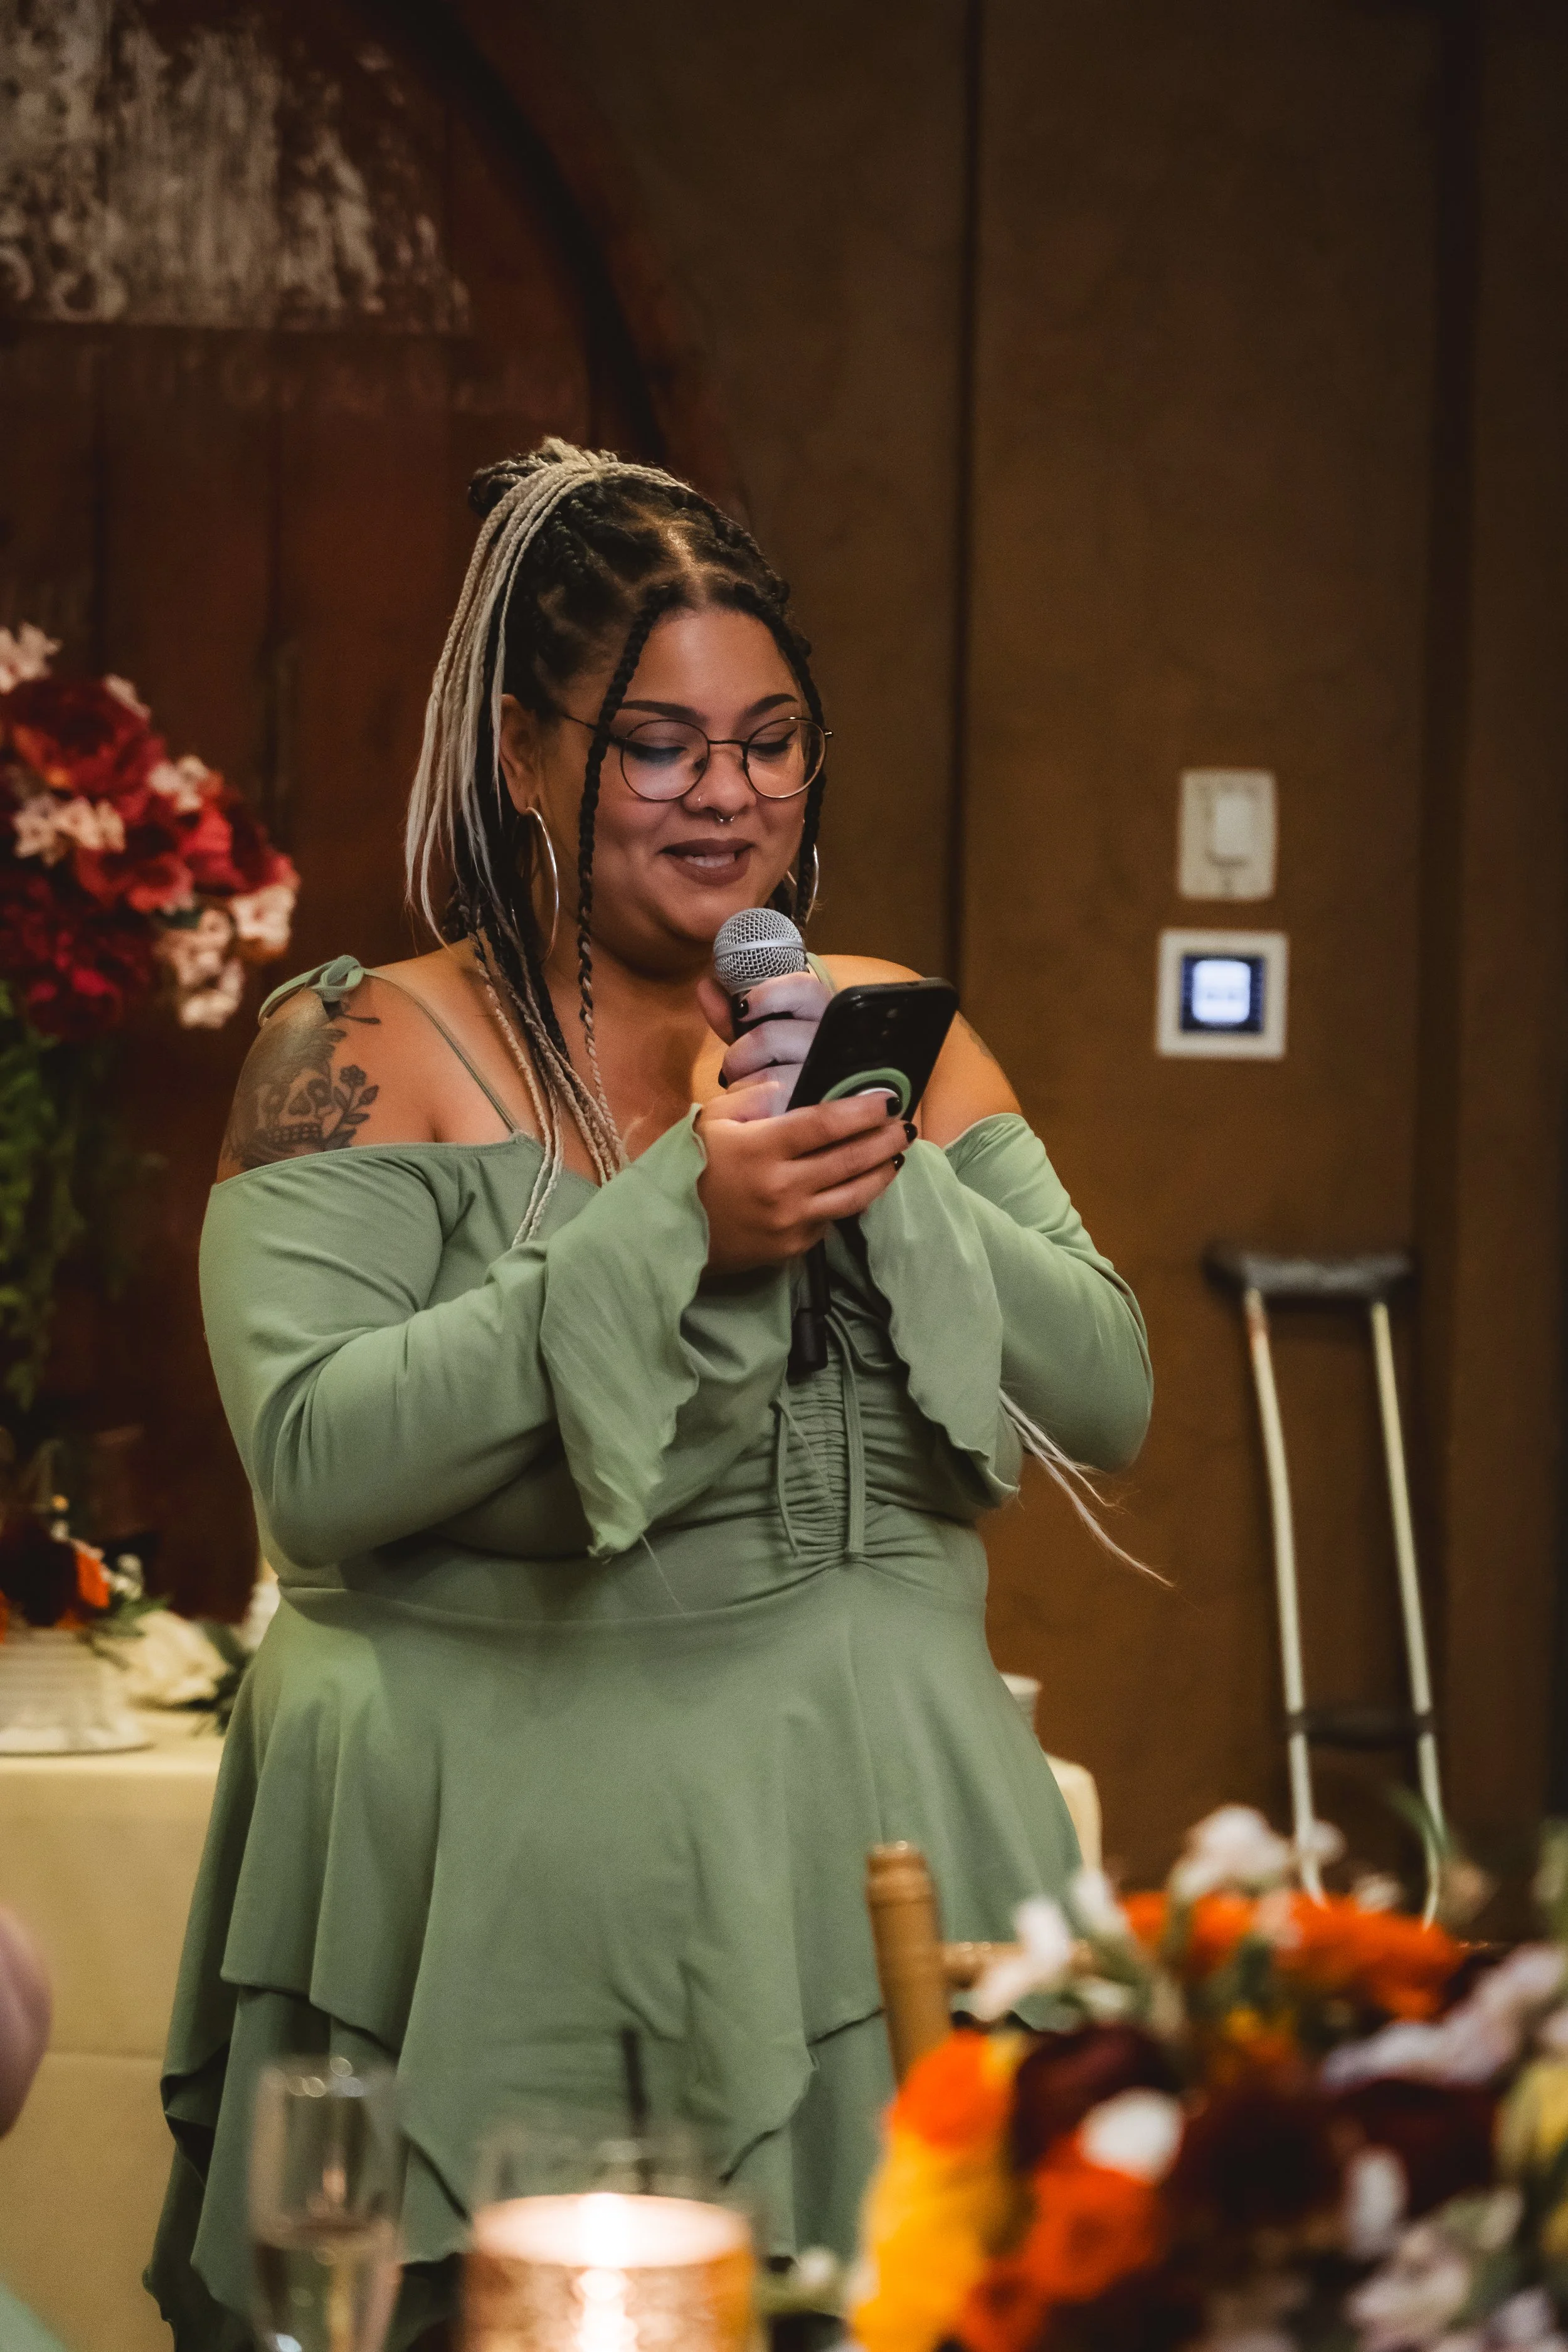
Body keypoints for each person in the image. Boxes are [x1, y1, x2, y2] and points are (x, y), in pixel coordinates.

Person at [149, 441, 1152, 2349]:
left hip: (872, 1866)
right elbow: (314, 1465)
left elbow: (1103, 1388)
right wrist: (678, 1220)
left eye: (772, 742)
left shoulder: (882, 1029)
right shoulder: (359, 1048)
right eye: (660, 745)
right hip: (501, 1905)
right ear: (525, 754)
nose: (731, 798)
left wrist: (878, 1161)